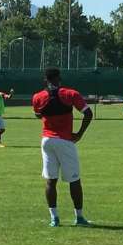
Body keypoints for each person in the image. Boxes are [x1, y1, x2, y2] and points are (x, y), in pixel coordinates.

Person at [32, 67, 94, 227]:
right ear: (59, 78)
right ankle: (79, 218)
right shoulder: (70, 94)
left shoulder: (37, 97)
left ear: (45, 79)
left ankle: (54, 218)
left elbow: (38, 114)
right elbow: (88, 113)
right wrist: (79, 134)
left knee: (50, 181)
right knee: (74, 180)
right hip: (65, 141)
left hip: (47, 141)